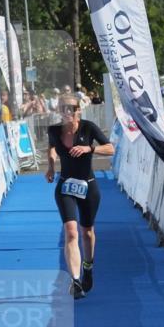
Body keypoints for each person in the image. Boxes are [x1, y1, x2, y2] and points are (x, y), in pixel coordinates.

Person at [44, 94, 114, 299]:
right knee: (71, 232)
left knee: (87, 233)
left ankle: (88, 267)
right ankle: (75, 280)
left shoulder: (88, 127)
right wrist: (50, 166)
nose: (67, 111)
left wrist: (89, 148)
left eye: (71, 108)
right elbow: (51, 148)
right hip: (65, 186)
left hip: (88, 187)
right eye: (63, 108)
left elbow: (111, 148)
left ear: (78, 111)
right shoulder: (54, 130)